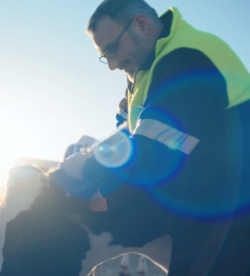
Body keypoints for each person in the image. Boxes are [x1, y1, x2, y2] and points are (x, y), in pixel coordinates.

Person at [50, 0, 250, 275]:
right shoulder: (145, 71)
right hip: (207, 215)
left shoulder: (185, 57)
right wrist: (92, 176)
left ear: (141, 25)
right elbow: (125, 133)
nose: (111, 64)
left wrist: (83, 167)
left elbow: (150, 151)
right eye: (104, 55)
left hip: (234, 218)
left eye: (112, 49)